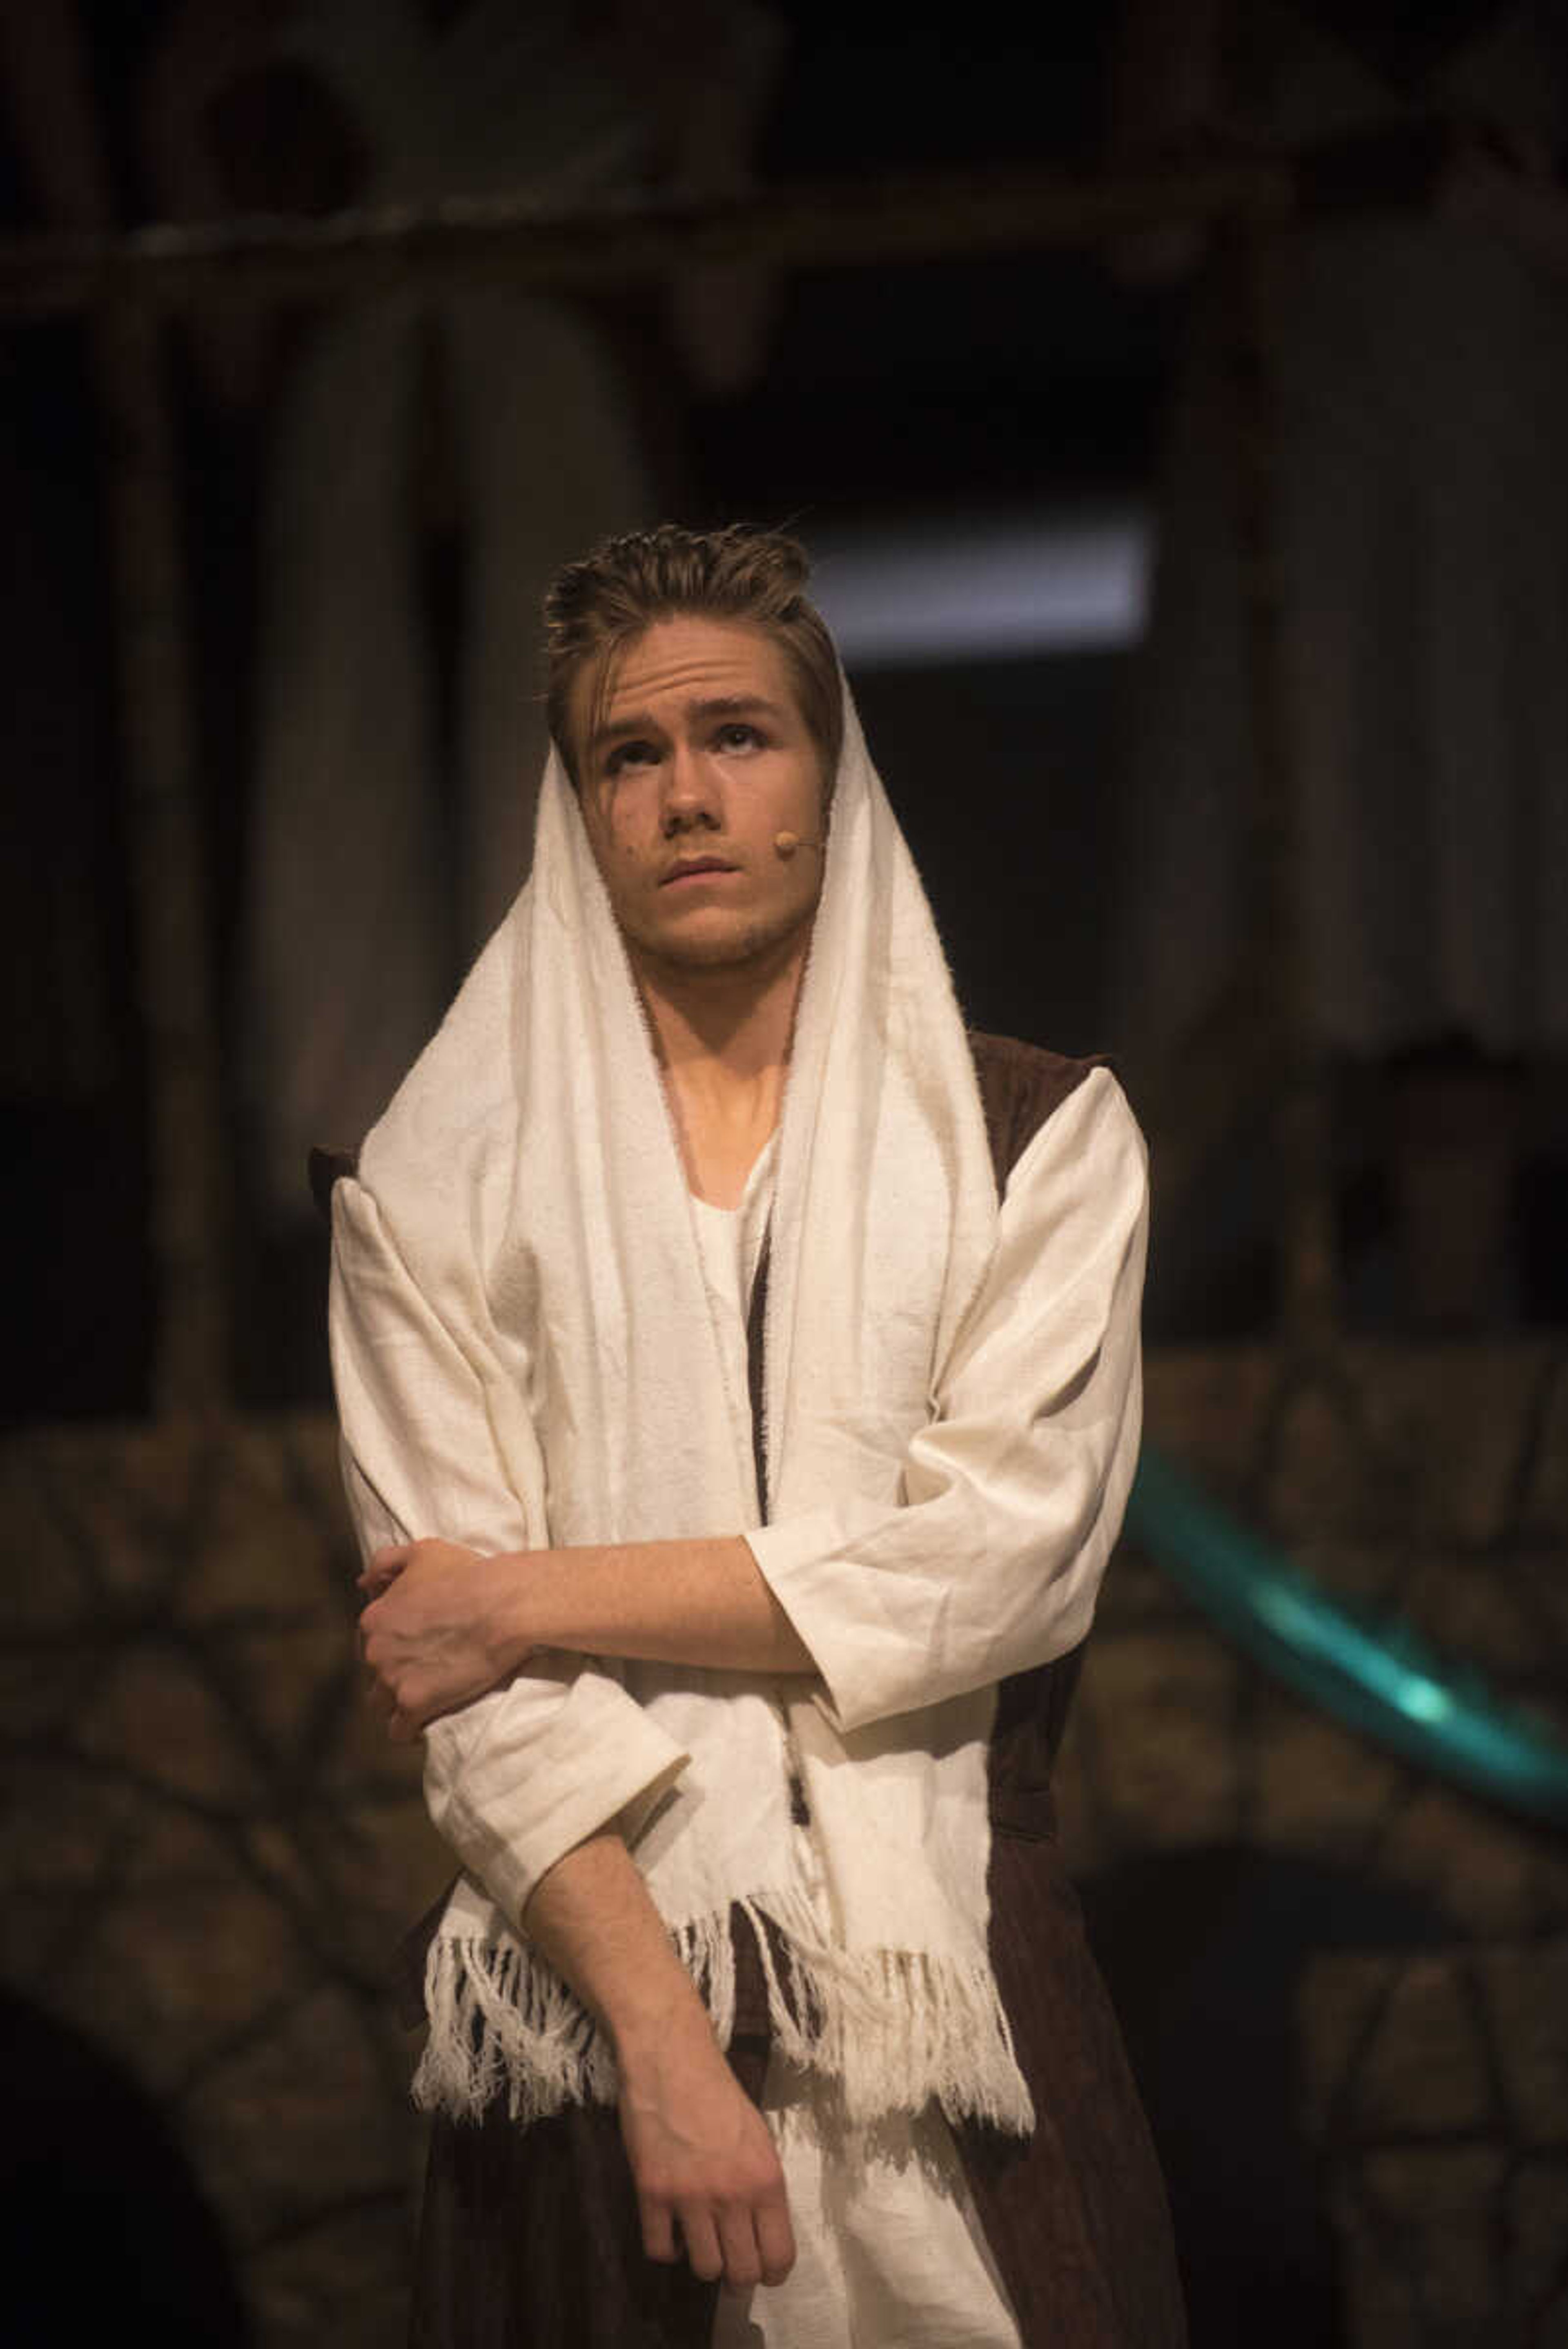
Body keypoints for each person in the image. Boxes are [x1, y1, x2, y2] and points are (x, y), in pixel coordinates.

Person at [330, 524, 1185, 2346]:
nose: (686, 794)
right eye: (631, 754)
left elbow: (985, 1567)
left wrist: (531, 1590)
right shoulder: (434, 1187)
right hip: (593, 2036)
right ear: (581, 809)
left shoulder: (1034, 1138)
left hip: (954, 1991)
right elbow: (471, 1689)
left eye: (739, 735)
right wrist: (664, 2043)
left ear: (829, 772)